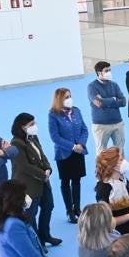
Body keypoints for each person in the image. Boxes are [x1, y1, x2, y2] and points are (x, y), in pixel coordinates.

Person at [9, 113, 59, 247]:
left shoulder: (33, 137)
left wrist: (48, 168)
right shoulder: (16, 143)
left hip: (43, 181)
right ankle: (37, 242)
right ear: (22, 127)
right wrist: (43, 174)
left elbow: (42, 155)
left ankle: (45, 235)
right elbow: (24, 166)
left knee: (48, 206)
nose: (34, 126)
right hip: (28, 185)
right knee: (31, 215)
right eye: (31, 124)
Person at [48, 89, 89, 224]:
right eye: (66, 97)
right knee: (66, 182)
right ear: (59, 99)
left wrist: (81, 144)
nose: (69, 99)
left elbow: (84, 129)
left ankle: (77, 208)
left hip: (79, 151)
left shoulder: (76, 110)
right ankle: (69, 211)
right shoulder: (53, 115)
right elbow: (55, 137)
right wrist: (72, 146)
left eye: (70, 96)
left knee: (77, 181)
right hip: (64, 153)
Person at [94, 147, 129, 235]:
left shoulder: (122, 181)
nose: (124, 161)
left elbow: (121, 206)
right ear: (112, 165)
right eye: (120, 160)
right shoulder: (103, 190)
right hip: (116, 237)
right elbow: (108, 222)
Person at [88, 61, 127, 152]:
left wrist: (104, 100)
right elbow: (98, 103)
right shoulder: (91, 87)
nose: (109, 72)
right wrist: (113, 99)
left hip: (118, 123)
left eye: (110, 70)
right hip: (101, 126)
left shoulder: (114, 85)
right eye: (106, 70)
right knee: (101, 153)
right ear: (99, 73)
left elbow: (123, 102)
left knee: (120, 151)